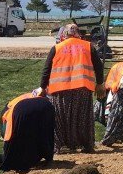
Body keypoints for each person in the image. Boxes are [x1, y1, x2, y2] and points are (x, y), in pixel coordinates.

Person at [38, 22, 104, 153]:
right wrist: (100, 83)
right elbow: (98, 66)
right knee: (82, 117)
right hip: (83, 88)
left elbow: (46, 69)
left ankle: (59, 146)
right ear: (78, 33)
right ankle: (87, 145)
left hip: (60, 89)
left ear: (64, 34)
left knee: (61, 118)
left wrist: (42, 87)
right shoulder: (88, 46)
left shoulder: (57, 48)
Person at [0, 90, 56, 172]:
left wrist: (6, 149)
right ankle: (48, 156)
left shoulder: (5, 112)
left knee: (17, 136)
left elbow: (7, 135)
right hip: (46, 105)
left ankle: (12, 164)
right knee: (44, 133)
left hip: (22, 110)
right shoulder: (24, 97)